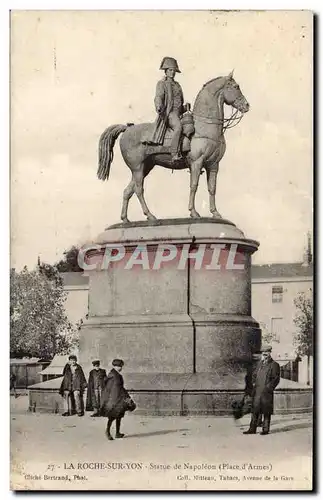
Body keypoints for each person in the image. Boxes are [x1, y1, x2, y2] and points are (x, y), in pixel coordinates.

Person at [150, 57, 185, 163]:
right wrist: (159, 106)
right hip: (169, 113)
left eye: (174, 71)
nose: (172, 72)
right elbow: (158, 97)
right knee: (178, 127)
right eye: (170, 70)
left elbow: (180, 101)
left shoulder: (177, 85)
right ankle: (174, 154)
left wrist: (185, 107)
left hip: (179, 113)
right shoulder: (162, 84)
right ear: (165, 71)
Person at [243, 346, 280, 435]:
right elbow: (254, 375)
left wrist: (268, 388)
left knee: (266, 412)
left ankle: (265, 430)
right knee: (255, 411)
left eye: (267, 352)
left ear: (270, 352)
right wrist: (254, 384)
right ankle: (252, 429)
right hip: (257, 392)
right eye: (263, 352)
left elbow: (275, 379)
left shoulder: (274, 365)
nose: (265, 353)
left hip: (266, 393)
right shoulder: (260, 364)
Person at [100, 359, 128, 440]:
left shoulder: (113, 375)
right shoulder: (115, 376)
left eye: (121, 366)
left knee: (118, 416)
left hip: (116, 398)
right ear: (115, 366)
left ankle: (117, 433)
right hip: (115, 399)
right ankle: (108, 431)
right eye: (119, 366)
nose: (120, 368)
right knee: (112, 417)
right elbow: (117, 388)